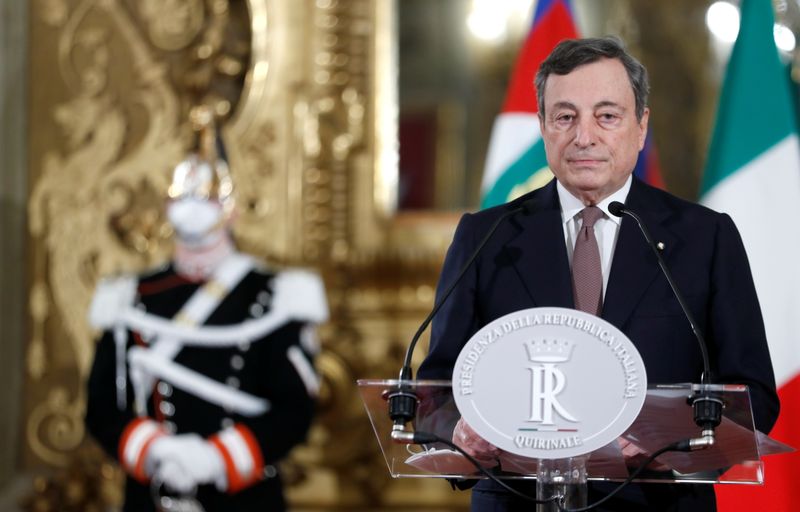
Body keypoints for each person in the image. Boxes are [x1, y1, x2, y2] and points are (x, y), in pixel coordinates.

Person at [417, 37, 779, 511]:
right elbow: (435, 393)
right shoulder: (486, 236)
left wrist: (674, 443)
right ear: (544, 127)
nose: (584, 136)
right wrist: (460, 429)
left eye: (607, 116)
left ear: (641, 125)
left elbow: (752, 397)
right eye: (565, 117)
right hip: (516, 500)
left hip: (656, 502)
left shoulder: (705, 238)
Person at [85, 108, 327, 511]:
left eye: (208, 194)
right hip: (153, 493)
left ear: (231, 207)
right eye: (185, 193)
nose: (195, 205)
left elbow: (294, 410)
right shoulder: (130, 296)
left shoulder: (274, 295)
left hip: (245, 496)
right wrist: (156, 452)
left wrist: (218, 458)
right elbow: (101, 407)